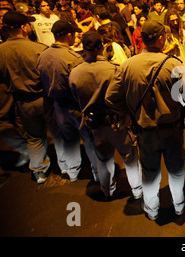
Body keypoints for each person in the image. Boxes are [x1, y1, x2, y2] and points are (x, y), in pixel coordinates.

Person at [105, 20, 185, 220]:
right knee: (176, 169)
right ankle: (179, 206)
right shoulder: (174, 64)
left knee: (150, 172)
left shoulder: (127, 65)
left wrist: (130, 112)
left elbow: (110, 97)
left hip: (144, 130)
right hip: (172, 129)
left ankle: (152, 209)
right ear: (161, 38)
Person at [69, 31, 142, 200]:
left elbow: (76, 98)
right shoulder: (114, 69)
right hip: (117, 123)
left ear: (83, 47)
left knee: (103, 159)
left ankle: (107, 190)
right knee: (129, 157)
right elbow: (125, 96)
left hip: (94, 125)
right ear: (102, 46)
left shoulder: (75, 73)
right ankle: (137, 191)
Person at [37, 21, 99, 183]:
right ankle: (97, 173)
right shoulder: (73, 58)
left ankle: (72, 172)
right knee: (88, 140)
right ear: (69, 35)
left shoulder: (43, 54)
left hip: (56, 104)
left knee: (68, 139)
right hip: (75, 105)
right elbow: (82, 85)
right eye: (74, 35)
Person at [0, 11, 51, 183]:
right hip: (44, 99)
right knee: (59, 134)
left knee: (34, 137)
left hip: (22, 102)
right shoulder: (38, 49)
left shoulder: (1, 51)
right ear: (23, 27)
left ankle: (39, 171)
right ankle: (68, 167)